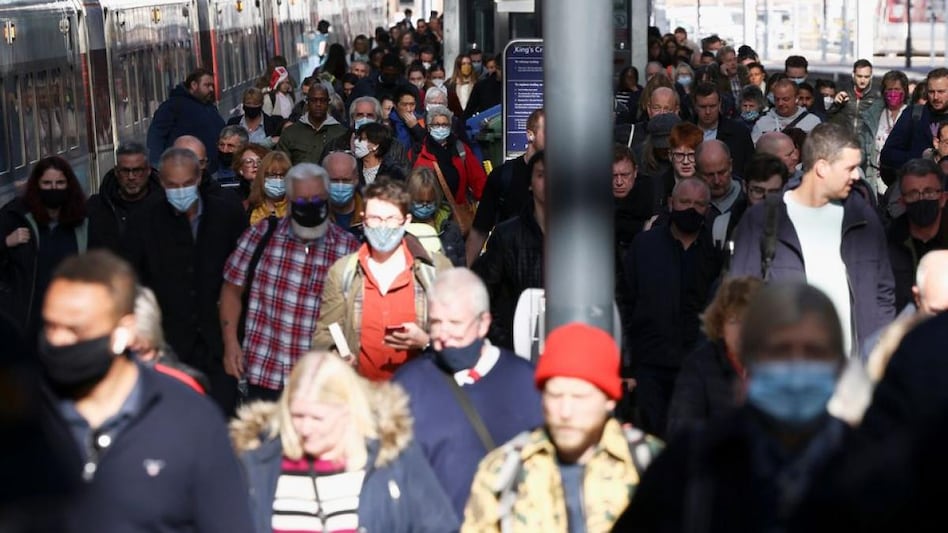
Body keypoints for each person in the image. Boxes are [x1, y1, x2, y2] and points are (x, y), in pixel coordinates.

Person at [38, 251, 254, 532]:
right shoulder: (26, 415)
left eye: (76, 330)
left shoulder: (191, 421)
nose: (59, 340)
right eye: (51, 326)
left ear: (124, 331)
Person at [615, 283, 850, 532]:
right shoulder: (692, 464)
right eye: (779, 350)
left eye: (814, 352)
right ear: (751, 359)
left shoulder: (869, 465)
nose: (795, 367)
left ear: (839, 365)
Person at [462, 322, 662, 532]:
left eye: (579, 397)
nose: (565, 411)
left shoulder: (650, 464)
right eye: (555, 395)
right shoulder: (504, 470)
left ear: (610, 399)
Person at [229, 351, 459, 533]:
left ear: (348, 410)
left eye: (318, 418)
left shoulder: (392, 458)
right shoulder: (259, 462)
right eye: (297, 416)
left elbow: (439, 525)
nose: (305, 429)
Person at [730, 122, 895, 357]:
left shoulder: (864, 219)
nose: (857, 175)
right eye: (850, 168)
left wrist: (877, 350)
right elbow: (739, 300)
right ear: (822, 168)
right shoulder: (761, 220)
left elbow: (883, 291)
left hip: (854, 373)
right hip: (786, 374)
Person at [392, 268, 542, 519]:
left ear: (483, 323)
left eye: (455, 323)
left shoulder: (525, 383)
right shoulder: (408, 385)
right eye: (436, 323)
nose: (443, 335)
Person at [122, 147, 248, 412]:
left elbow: (242, 278)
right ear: (162, 184)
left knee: (221, 419)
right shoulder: (143, 221)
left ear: (199, 178)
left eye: (187, 184)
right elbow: (133, 282)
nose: (181, 191)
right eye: (173, 185)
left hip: (219, 342)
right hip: (169, 346)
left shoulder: (227, 214)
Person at [221, 162, 359, 401]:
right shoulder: (261, 236)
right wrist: (231, 343)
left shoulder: (347, 248)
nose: (310, 206)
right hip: (265, 373)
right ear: (290, 200)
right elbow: (231, 290)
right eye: (302, 201)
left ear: (327, 198)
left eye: (316, 199)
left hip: (321, 380)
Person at [312, 179, 452, 381]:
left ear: (406, 220)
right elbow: (324, 334)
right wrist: (335, 357)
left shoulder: (436, 270)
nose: (383, 227)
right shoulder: (343, 272)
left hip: (419, 396)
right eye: (375, 218)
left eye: (391, 218)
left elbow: (459, 338)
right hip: (361, 398)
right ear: (363, 220)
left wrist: (425, 341)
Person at [622, 178, 722, 437]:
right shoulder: (645, 246)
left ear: (708, 209)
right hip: (650, 361)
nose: (691, 209)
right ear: (671, 203)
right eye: (685, 202)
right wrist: (627, 363)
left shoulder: (715, 251)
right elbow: (626, 301)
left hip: (697, 363)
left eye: (699, 204)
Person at [0, 156, 88, 336]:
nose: (53, 188)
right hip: (28, 322)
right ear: (36, 185)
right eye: (47, 183)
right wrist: (5, 243)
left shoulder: (84, 222)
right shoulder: (14, 217)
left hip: (72, 318)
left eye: (60, 183)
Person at [666, 276, 764, 437]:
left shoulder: (780, 366)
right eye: (733, 321)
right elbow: (681, 435)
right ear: (720, 326)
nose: (741, 331)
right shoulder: (698, 366)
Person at [471, 152, 546, 349]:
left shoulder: (587, 235)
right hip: (516, 349)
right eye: (542, 175)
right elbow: (482, 294)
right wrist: (502, 340)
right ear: (530, 183)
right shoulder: (507, 236)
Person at [467, 107, 544, 265]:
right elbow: (479, 230)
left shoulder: (567, 178)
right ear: (530, 135)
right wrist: (465, 276)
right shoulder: (503, 175)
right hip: (508, 270)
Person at [886, 158, 948, 311]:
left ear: (943, 198)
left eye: (929, 192)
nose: (922, 199)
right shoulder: (888, 242)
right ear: (902, 202)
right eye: (913, 194)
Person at [87, 142, 163, 253]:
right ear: (117, 172)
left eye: (137, 170)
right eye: (125, 171)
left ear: (148, 171)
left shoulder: (164, 205)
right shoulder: (97, 208)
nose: (131, 177)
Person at [146, 69, 226, 173]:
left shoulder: (210, 108)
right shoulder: (173, 106)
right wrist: (157, 166)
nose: (211, 89)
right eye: (207, 85)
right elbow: (156, 135)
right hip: (183, 170)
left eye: (212, 86)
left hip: (210, 171)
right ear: (194, 85)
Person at [411, 105, 487, 207]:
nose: (441, 128)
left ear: (450, 127)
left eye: (444, 125)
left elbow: (478, 179)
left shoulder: (461, 149)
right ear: (429, 127)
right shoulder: (419, 151)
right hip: (429, 210)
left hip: (458, 210)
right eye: (436, 125)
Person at [880, 68, 948, 177]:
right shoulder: (914, 114)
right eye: (931, 92)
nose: (935, 97)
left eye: (941, 92)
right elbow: (888, 154)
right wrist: (921, 161)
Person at [405, 167, 465, 266]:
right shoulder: (400, 231)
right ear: (409, 198)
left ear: (436, 199)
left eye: (429, 202)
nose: (424, 206)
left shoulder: (450, 229)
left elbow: (461, 268)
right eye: (419, 202)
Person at [692, 82, 755, 177]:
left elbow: (750, 167)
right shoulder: (684, 132)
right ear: (695, 106)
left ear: (720, 104)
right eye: (703, 107)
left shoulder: (739, 132)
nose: (708, 112)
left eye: (712, 106)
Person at [275, 84, 347, 165]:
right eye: (314, 100)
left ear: (328, 102)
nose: (318, 104)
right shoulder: (290, 133)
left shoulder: (341, 133)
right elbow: (281, 165)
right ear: (307, 102)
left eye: (322, 100)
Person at [751, 79, 823, 143]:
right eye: (777, 99)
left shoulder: (813, 122)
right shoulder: (762, 123)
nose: (780, 103)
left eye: (785, 99)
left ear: (796, 98)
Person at [696, 139, 747, 222]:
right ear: (697, 172)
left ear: (730, 165)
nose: (716, 181)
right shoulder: (689, 204)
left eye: (722, 173)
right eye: (709, 175)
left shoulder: (749, 199)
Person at [827, 59, 879, 134]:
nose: (863, 80)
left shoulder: (876, 96)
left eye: (866, 77)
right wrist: (835, 104)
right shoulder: (843, 91)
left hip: (866, 142)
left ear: (871, 76)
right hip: (845, 140)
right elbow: (828, 116)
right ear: (853, 75)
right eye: (859, 76)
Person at [323, 151, 365, 237]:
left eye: (346, 180)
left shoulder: (371, 214)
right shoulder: (312, 216)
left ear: (356, 179)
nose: (340, 186)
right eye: (334, 180)